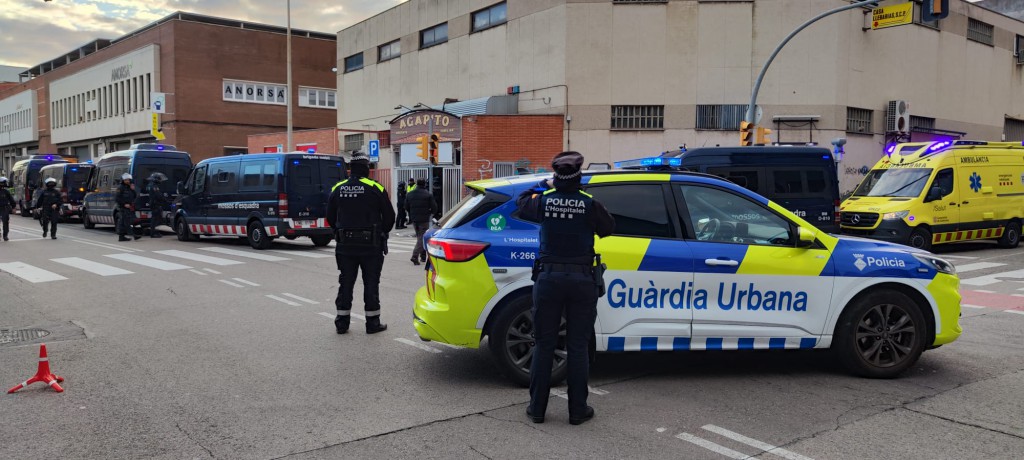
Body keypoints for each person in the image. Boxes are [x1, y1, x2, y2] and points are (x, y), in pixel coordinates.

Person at [515, 151, 614, 426]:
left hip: (548, 280)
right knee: (578, 346)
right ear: (579, 177)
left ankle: (537, 409)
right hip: (582, 281)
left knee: (545, 344)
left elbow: (520, 201)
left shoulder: (543, 202)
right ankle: (577, 411)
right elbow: (609, 228)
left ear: (555, 178)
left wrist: (542, 186)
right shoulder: (590, 204)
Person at [327, 151, 396, 334]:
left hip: (345, 246)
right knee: (371, 284)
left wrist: (339, 231)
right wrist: (381, 233)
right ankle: (372, 324)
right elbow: (390, 217)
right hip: (371, 246)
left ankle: (342, 323)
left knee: (346, 283)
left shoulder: (338, 188)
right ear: (367, 169)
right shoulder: (375, 188)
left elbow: (330, 216)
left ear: (350, 169)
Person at [405, 178, 436, 265]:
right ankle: (415, 255)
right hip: (424, 219)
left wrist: (411, 213)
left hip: (414, 219)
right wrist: (430, 213)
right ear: (424, 184)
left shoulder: (410, 194)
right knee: (421, 237)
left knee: (420, 236)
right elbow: (434, 207)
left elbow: (406, 206)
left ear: (417, 184)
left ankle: (423, 256)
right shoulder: (428, 194)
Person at [115, 173, 140, 242]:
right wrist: (124, 204)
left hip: (129, 207)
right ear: (123, 180)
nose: (127, 181)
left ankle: (121, 237)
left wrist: (133, 189)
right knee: (127, 222)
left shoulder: (129, 187)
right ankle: (134, 235)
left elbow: (135, 196)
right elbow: (117, 198)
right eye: (126, 180)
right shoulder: (120, 187)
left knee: (123, 222)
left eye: (128, 180)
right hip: (123, 207)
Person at [145, 172, 169, 238]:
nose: (160, 181)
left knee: (155, 218)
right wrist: (165, 200)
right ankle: (153, 233)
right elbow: (158, 195)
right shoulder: (154, 186)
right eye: (159, 179)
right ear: (156, 179)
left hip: (154, 203)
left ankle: (153, 232)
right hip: (155, 204)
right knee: (155, 219)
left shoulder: (151, 185)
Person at [0, 177, 15, 241]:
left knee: (5, 222)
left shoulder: (6, 191)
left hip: (5, 208)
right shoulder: (6, 191)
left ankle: (5, 235)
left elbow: (11, 200)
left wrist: (13, 207)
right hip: (2, 208)